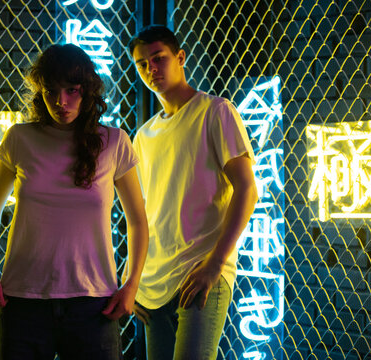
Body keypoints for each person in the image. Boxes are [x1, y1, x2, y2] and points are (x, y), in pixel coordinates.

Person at [0, 43, 148, 360]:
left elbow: (138, 220)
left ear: (88, 91)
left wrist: (131, 285)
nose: (61, 101)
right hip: (23, 300)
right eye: (51, 91)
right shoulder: (20, 138)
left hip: (94, 302)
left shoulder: (114, 142)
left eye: (72, 90)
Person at [128, 25, 258, 360]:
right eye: (142, 64)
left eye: (159, 58)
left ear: (180, 57)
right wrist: (134, 280)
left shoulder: (215, 111)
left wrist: (215, 264)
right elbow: (143, 215)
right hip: (152, 284)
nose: (151, 69)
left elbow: (247, 189)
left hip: (202, 271)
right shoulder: (142, 136)